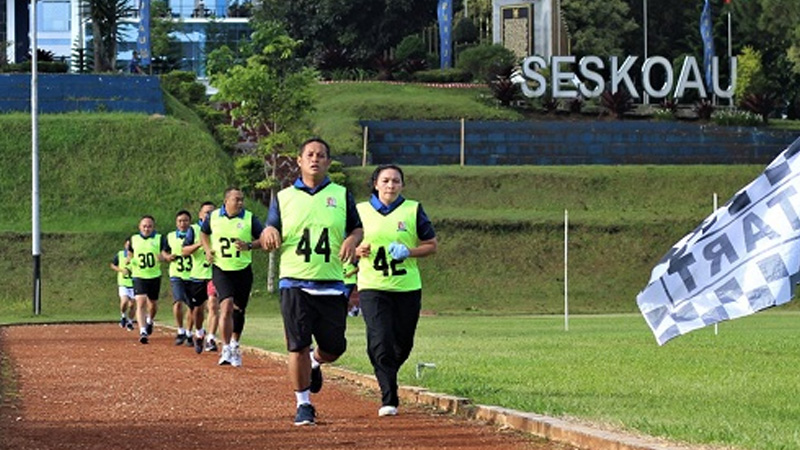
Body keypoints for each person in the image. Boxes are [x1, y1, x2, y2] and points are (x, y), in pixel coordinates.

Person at [260, 137, 363, 426]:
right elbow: (271, 226)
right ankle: (303, 404)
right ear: (299, 160)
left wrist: (352, 240)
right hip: (294, 281)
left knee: (334, 347)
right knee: (297, 345)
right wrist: (268, 232)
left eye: (321, 155)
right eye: (309, 154)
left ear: (328, 162)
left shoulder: (342, 195)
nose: (315, 159)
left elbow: (357, 228)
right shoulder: (282, 197)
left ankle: (317, 363)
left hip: (331, 281)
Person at [355, 164, 437, 417]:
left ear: (402, 185)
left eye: (396, 181)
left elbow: (431, 245)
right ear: (375, 184)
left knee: (402, 343)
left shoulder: (413, 210)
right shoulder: (360, 211)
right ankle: (389, 396)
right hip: (373, 286)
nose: (391, 185)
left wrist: (409, 251)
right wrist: (357, 251)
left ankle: (387, 370)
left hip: (407, 287)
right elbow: (346, 244)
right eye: (386, 181)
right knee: (380, 340)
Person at [200, 188, 263, 366]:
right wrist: (207, 249)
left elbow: (264, 239)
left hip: (242, 269)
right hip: (221, 269)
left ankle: (235, 344)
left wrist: (249, 245)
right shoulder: (213, 217)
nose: (240, 203)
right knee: (226, 306)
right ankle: (226, 347)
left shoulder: (250, 218)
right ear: (226, 200)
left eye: (242, 200)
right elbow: (203, 233)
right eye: (237, 199)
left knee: (238, 310)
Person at [129, 215, 171, 344]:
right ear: (140, 227)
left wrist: (163, 258)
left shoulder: (159, 239)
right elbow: (130, 252)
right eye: (144, 226)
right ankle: (143, 331)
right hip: (139, 275)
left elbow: (165, 253)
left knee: (152, 304)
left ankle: (150, 321)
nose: (147, 229)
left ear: (153, 227)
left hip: (154, 276)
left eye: (149, 226)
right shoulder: (134, 239)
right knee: (140, 302)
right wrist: (131, 260)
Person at [182, 201, 216, 354]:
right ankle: (200, 332)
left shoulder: (220, 228)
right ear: (200, 215)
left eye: (212, 212)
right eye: (206, 212)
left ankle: (211, 338)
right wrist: (200, 244)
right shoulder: (193, 230)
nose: (209, 215)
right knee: (197, 310)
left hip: (215, 275)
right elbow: (184, 251)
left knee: (213, 305)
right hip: (197, 276)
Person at [166, 210, 194, 346]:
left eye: (185, 221)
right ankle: (180, 330)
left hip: (193, 274)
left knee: (192, 306)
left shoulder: (195, 235)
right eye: (180, 221)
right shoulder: (171, 236)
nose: (183, 223)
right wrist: (167, 257)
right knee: (178, 302)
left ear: (190, 222)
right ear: (176, 223)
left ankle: (189, 333)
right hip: (177, 274)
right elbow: (163, 251)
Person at [110, 239, 135, 330]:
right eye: (127, 245)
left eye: (130, 245)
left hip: (134, 283)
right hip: (123, 283)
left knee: (132, 305)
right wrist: (121, 270)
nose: (129, 247)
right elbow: (113, 265)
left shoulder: (137, 255)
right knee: (124, 301)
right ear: (125, 245)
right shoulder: (120, 254)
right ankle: (123, 316)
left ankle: (130, 322)